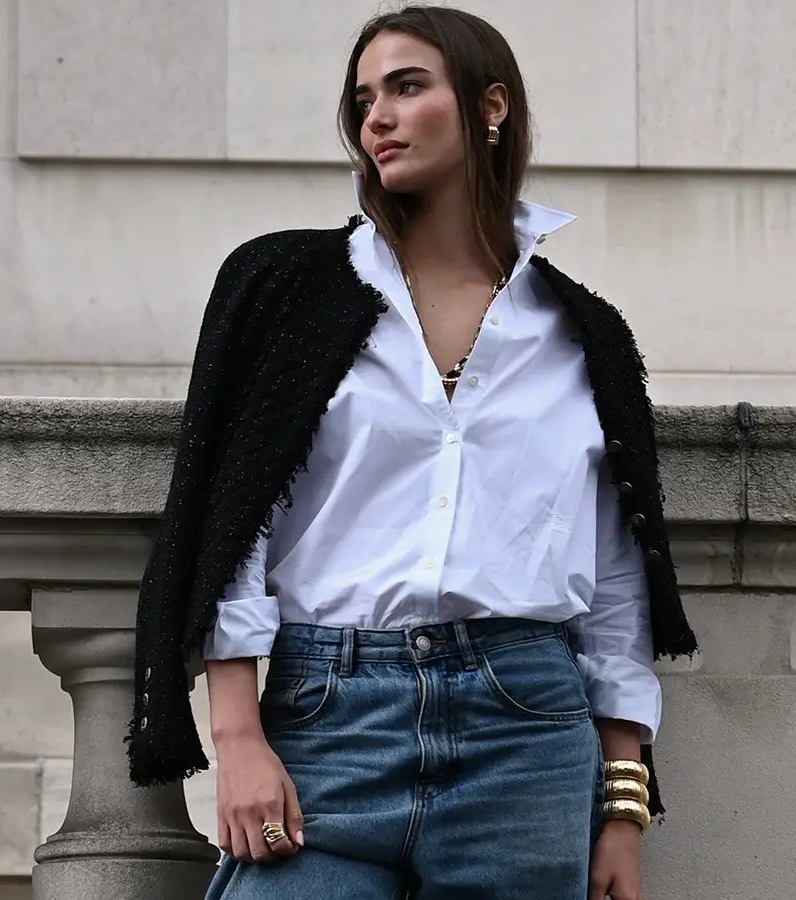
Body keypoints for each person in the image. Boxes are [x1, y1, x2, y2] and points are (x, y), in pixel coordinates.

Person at [126, 6, 698, 898]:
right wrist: (235, 738)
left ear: (490, 106)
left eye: (407, 86)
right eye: (362, 100)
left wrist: (622, 808)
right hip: (329, 719)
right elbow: (231, 525)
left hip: (526, 735)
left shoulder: (586, 335)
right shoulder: (287, 288)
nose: (376, 119)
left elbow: (617, 583)